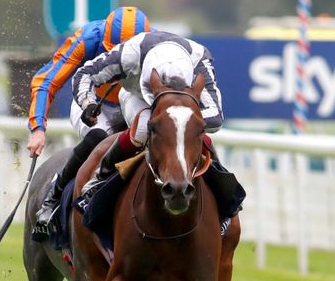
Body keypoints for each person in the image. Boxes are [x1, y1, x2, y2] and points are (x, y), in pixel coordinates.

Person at [26, 6, 150, 232]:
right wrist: (37, 128)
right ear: (104, 39)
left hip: (132, 101)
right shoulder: (87, 39)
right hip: (91, 102)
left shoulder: (156, 46)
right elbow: (46, 81)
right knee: (100, 138)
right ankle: (53, 196)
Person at [71, 29, 224, 195]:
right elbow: (85, 74)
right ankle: (100, 177)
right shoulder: (130, 54)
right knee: (143, 129)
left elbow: (216, 116)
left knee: (192, 134)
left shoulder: (199, 60)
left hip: (181, 106)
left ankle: (226, 198)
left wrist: (182, 123)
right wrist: (87, 103)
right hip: (137, 96)